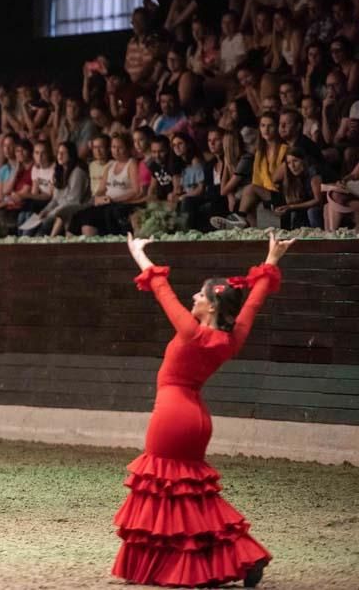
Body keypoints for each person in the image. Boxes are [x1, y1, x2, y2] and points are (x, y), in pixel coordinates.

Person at [113, 231, 294, 588]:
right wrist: (271, 259)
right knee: (192, 494)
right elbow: (252, 305)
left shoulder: (191, 332)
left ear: (210, 306)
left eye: (199, 294)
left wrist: (138, 254)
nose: (193, 297)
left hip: (172, 413)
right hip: (197, 416)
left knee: (164, 490)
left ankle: (197, 564)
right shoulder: (229, 339)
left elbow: (161, 289)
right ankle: (240, 557)